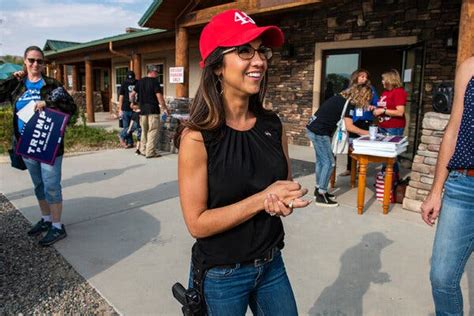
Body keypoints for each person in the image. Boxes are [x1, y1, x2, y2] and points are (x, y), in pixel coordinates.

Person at [174, 9, 311, 315]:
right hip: (223, 274)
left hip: (272, 264)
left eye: (262, 51)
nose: (259, 60)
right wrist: (262, 200)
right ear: (218, 66)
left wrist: (281, 202)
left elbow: (281, 190)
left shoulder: (273, 125)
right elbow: (197, 223)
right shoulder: (197, 137)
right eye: (245, 50)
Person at [0, 46, 77, 246]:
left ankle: (57, 226)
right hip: (27, 146)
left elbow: (71, 107)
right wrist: (13, 79)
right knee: (39, 185)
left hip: (49, 144)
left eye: (40, 61)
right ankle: (46, 219)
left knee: (51, 186)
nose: (36, 64)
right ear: (24, 62)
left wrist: (48, 103)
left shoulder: (52, 84)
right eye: (31, 60)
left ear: (44, 64)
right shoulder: (17, 85)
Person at [421, 56, 474, 315]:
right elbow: (453, 129)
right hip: (463, 185)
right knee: (442, 278)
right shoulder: (470, 67)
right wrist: (435, 191)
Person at [306, 84, 373, 207]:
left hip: (313, 128)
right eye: (367, 98)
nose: (367, 101)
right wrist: (369, 133)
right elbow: (349, 127)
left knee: (322, 161)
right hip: (319, 132)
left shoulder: (340, 98)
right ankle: (321, 194)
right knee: (329, 162)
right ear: (362, 95)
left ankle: (318, 189)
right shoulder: (349, 104)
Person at [340, 69, 379, 177]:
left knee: (363, 146)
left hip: (366, 120)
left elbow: (377, 103)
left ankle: (360, 170)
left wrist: (373, 106)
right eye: (362, 76)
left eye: (366, 77)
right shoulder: (350, 89)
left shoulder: (371, 89)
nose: (364, 79)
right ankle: (349, 168)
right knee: (351, 145)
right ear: (356, 77)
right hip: (352, 120)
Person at [131, 65, 169, 158]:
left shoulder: (140, 81)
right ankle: (150, 152)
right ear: (152, 72)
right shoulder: (155, 82)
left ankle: (143, 150)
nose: (157, 74)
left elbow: (132, 94)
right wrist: (164, 108)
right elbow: (159, 96)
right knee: (152, 130)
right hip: (153, 110)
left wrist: (133, 103)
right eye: (156, 72)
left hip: (142, 110)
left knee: (144, 130)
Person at [372, 69, 407, 136]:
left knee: (390, 146)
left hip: (393, 127)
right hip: (382, 126)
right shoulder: (386, 92)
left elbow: (400, 112)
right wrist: (375, 109)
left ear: (389, 80)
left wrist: (383, 111)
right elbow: (384, 106)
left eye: (383, 80)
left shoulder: (398, 92)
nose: (382, 82)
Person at [118, 70, 137, 148]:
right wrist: (119, 109)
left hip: (135, 108)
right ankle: (130, 142)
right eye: (129, 79)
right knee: (126, 126)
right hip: (125, 108)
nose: (130, 81)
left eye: (132, 79)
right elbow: (121, 96)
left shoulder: (137, 82)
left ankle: (121, 135)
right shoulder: (124, 84)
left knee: (135, 125)